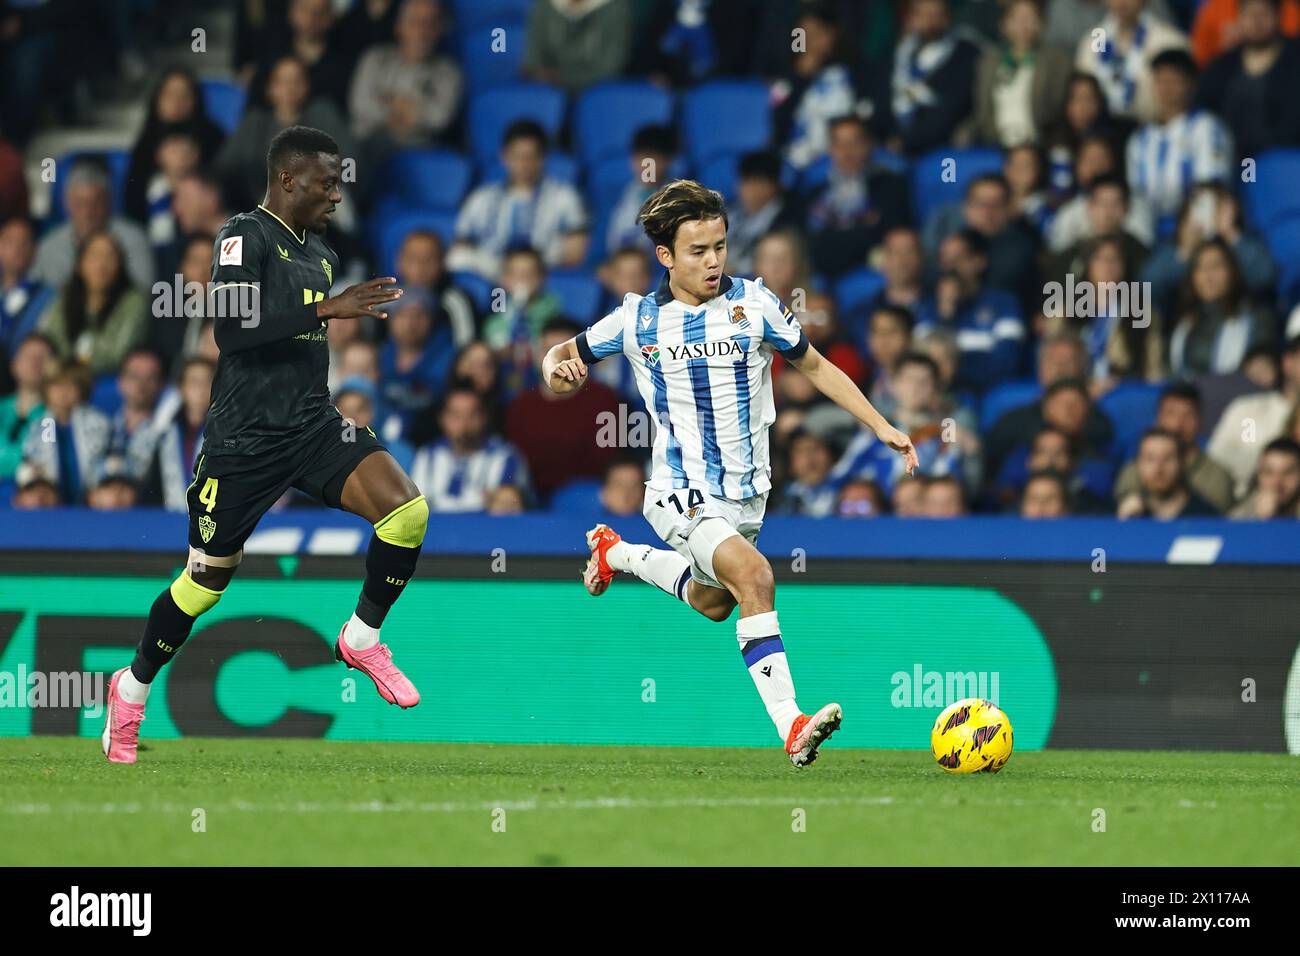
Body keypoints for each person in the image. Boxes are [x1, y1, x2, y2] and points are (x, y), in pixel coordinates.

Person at [542, 179, 917, 766]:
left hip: (748, 495)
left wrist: (879, 424)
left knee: (717, 603)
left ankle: (615, 554)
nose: (713, 260)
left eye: (720, 245)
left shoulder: (755, 305)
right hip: (678, 490)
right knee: (756, 577)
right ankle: (791, 724)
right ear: (665, 256)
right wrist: (557, 373)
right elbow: (560, 354)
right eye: (698, 250)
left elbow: (814, 365)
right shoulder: (637, 320)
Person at [101, 126, 428, 766]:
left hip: (310, 424)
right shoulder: (243, 235)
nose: (337, 194)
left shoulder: (323, 254)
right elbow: (231, 331)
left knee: (407, 510)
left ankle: (361, 637)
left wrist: (327, 308)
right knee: (204, 583)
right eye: (326, 182)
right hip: (242, 440)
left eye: (340, 182)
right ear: (287, 180)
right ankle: (131, 688)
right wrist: (326, 311)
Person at [409, 385, 531, 512]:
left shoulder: (505, 457)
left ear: (484, 418)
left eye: (472, 415)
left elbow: (507, 504)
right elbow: (415, 506)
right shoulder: (427, 455)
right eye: (456, 415)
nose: (464, 424)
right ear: (443, 419)